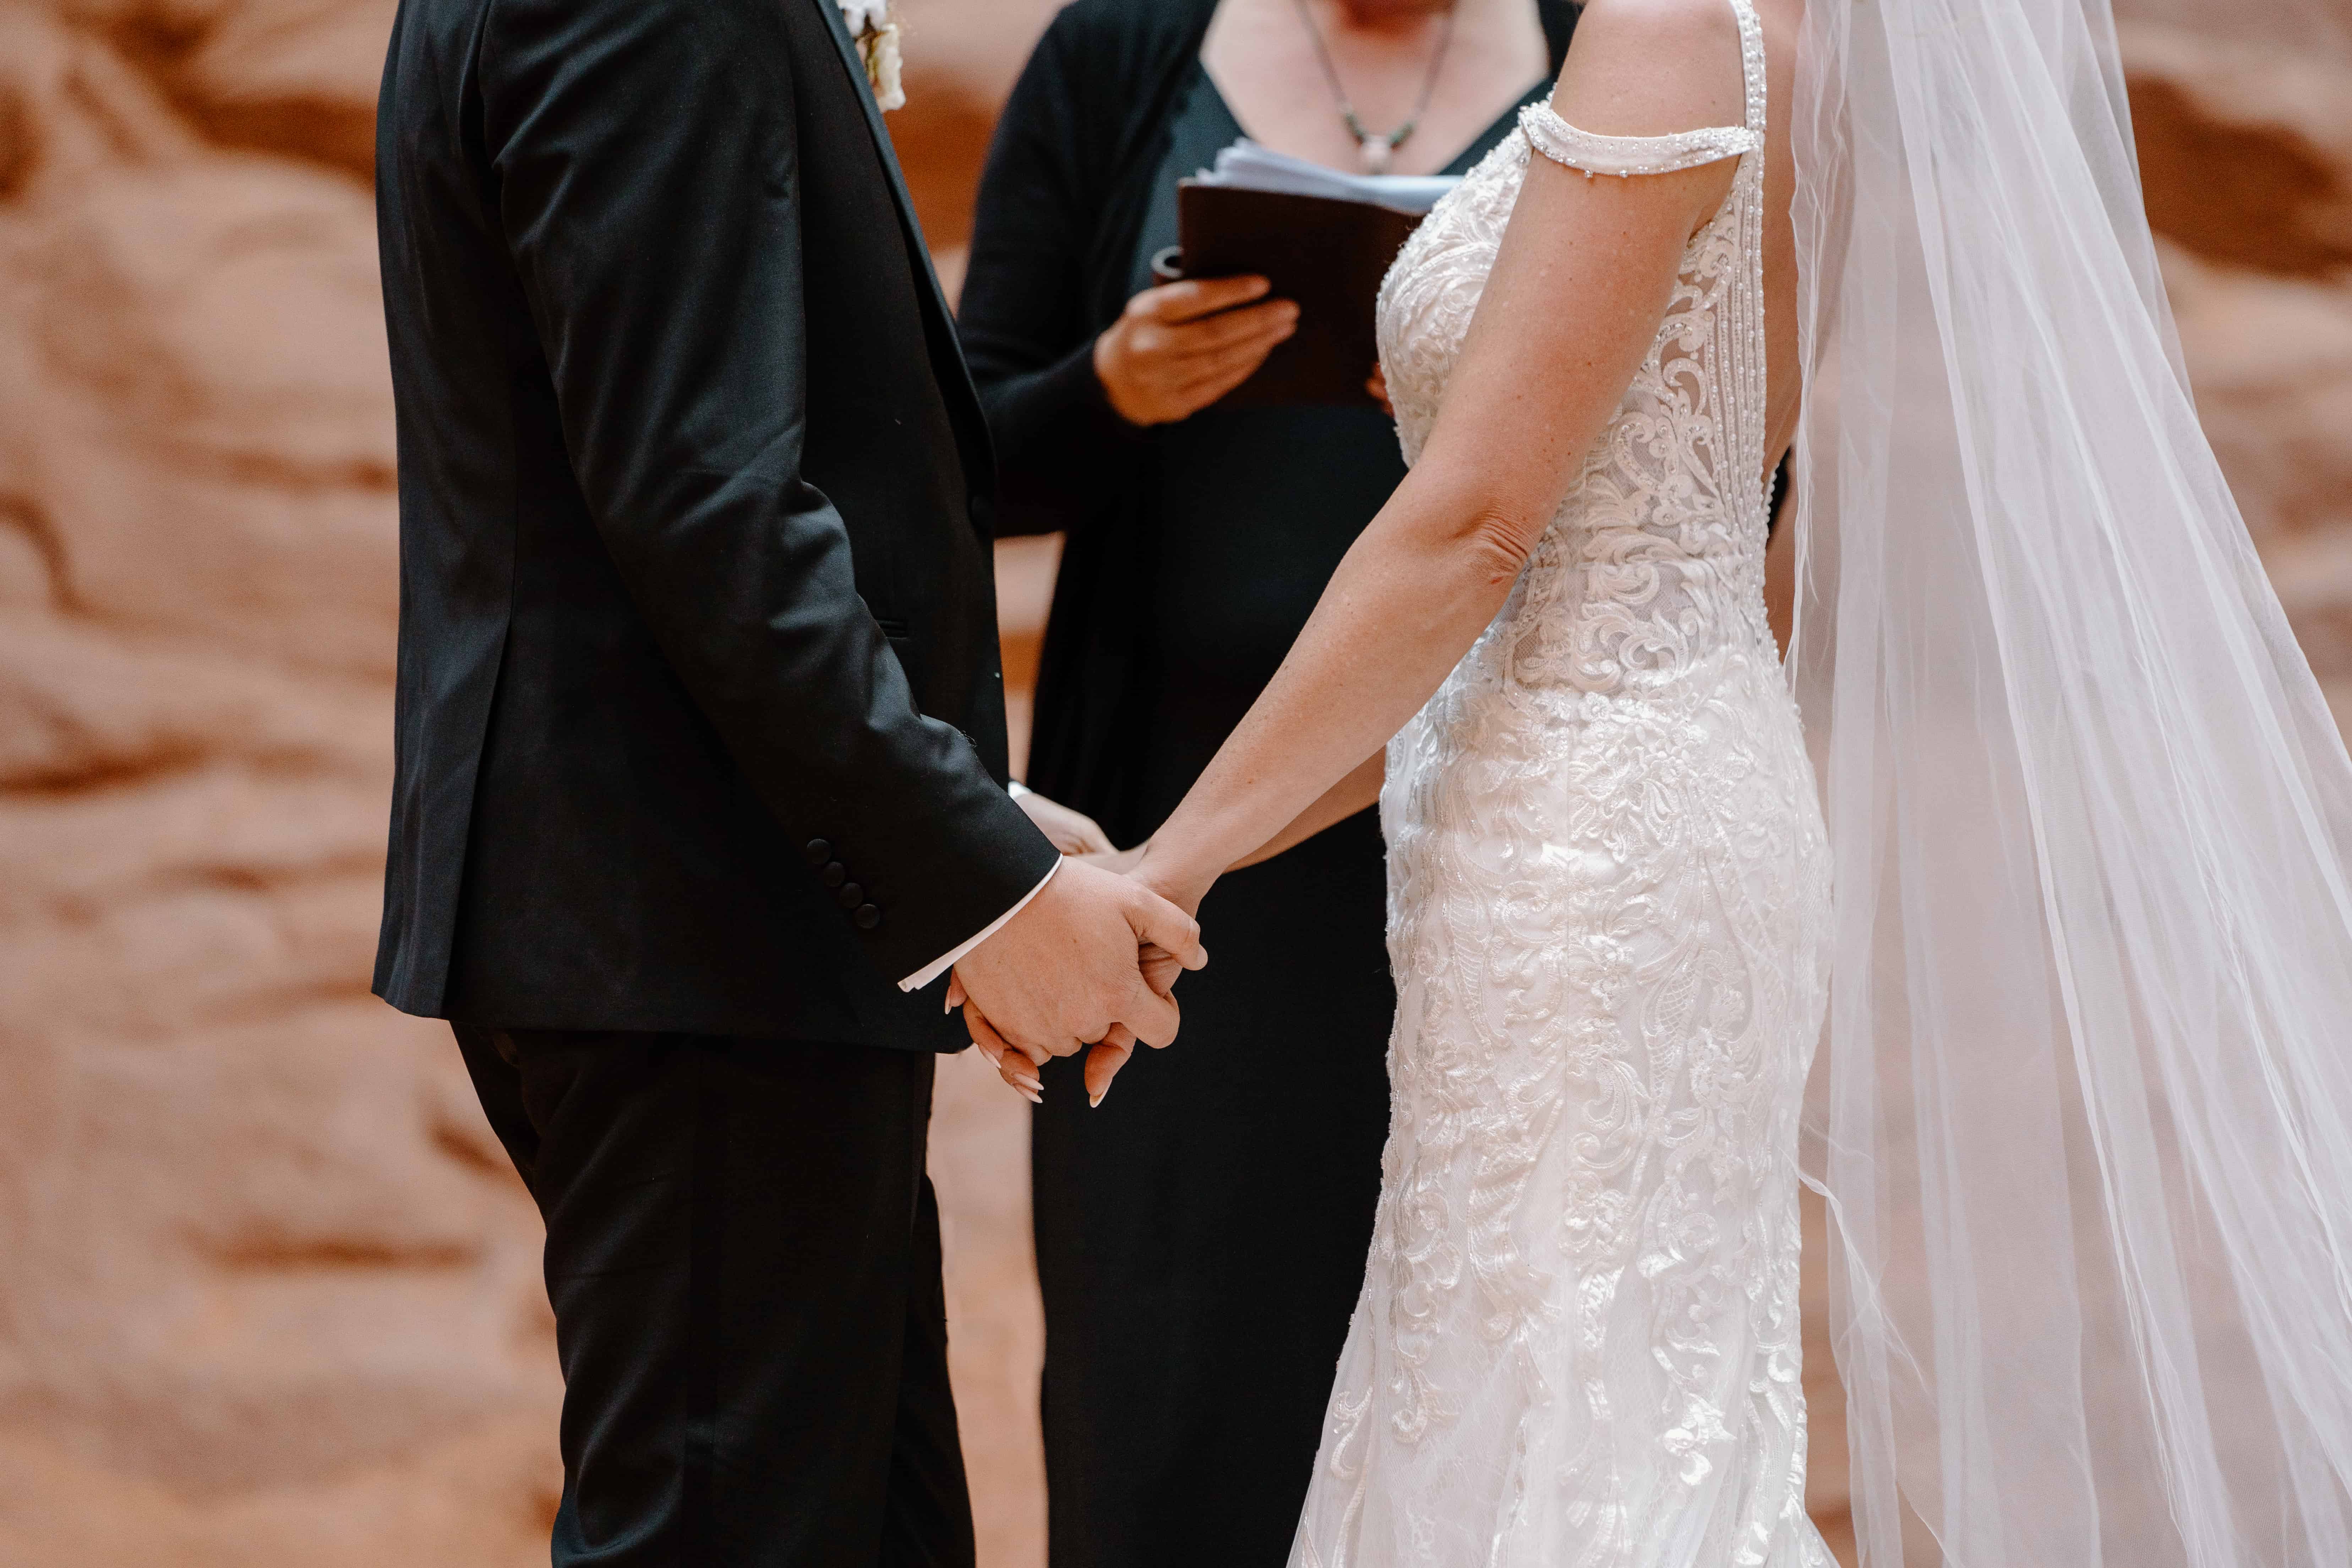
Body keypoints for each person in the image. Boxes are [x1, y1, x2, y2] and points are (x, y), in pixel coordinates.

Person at [965, 0, 2352, 1558]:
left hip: (1588, 856)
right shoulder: (1755, 32)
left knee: (1573, 1438)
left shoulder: (1665, 25)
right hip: (1568, 781)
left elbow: (1475, 528)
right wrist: (1171, 855)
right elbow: (1547, 574)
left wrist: (1160, 880)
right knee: (1534, 1405)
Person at [369, 0, 1204, 1562]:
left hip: (723, 917)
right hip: (688, 928)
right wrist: (981, 885)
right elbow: (704, 502)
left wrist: (966, 809)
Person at [954, 2, 1573, 1561]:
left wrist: (1506, 413)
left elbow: (1728, 460)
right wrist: (1114, 389)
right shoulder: (1121, 54)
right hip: (1174, 857)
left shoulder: (1609, 50)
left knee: (1479, 1391)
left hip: (1497, 853)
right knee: (1166, 1400)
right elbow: (953, 455)